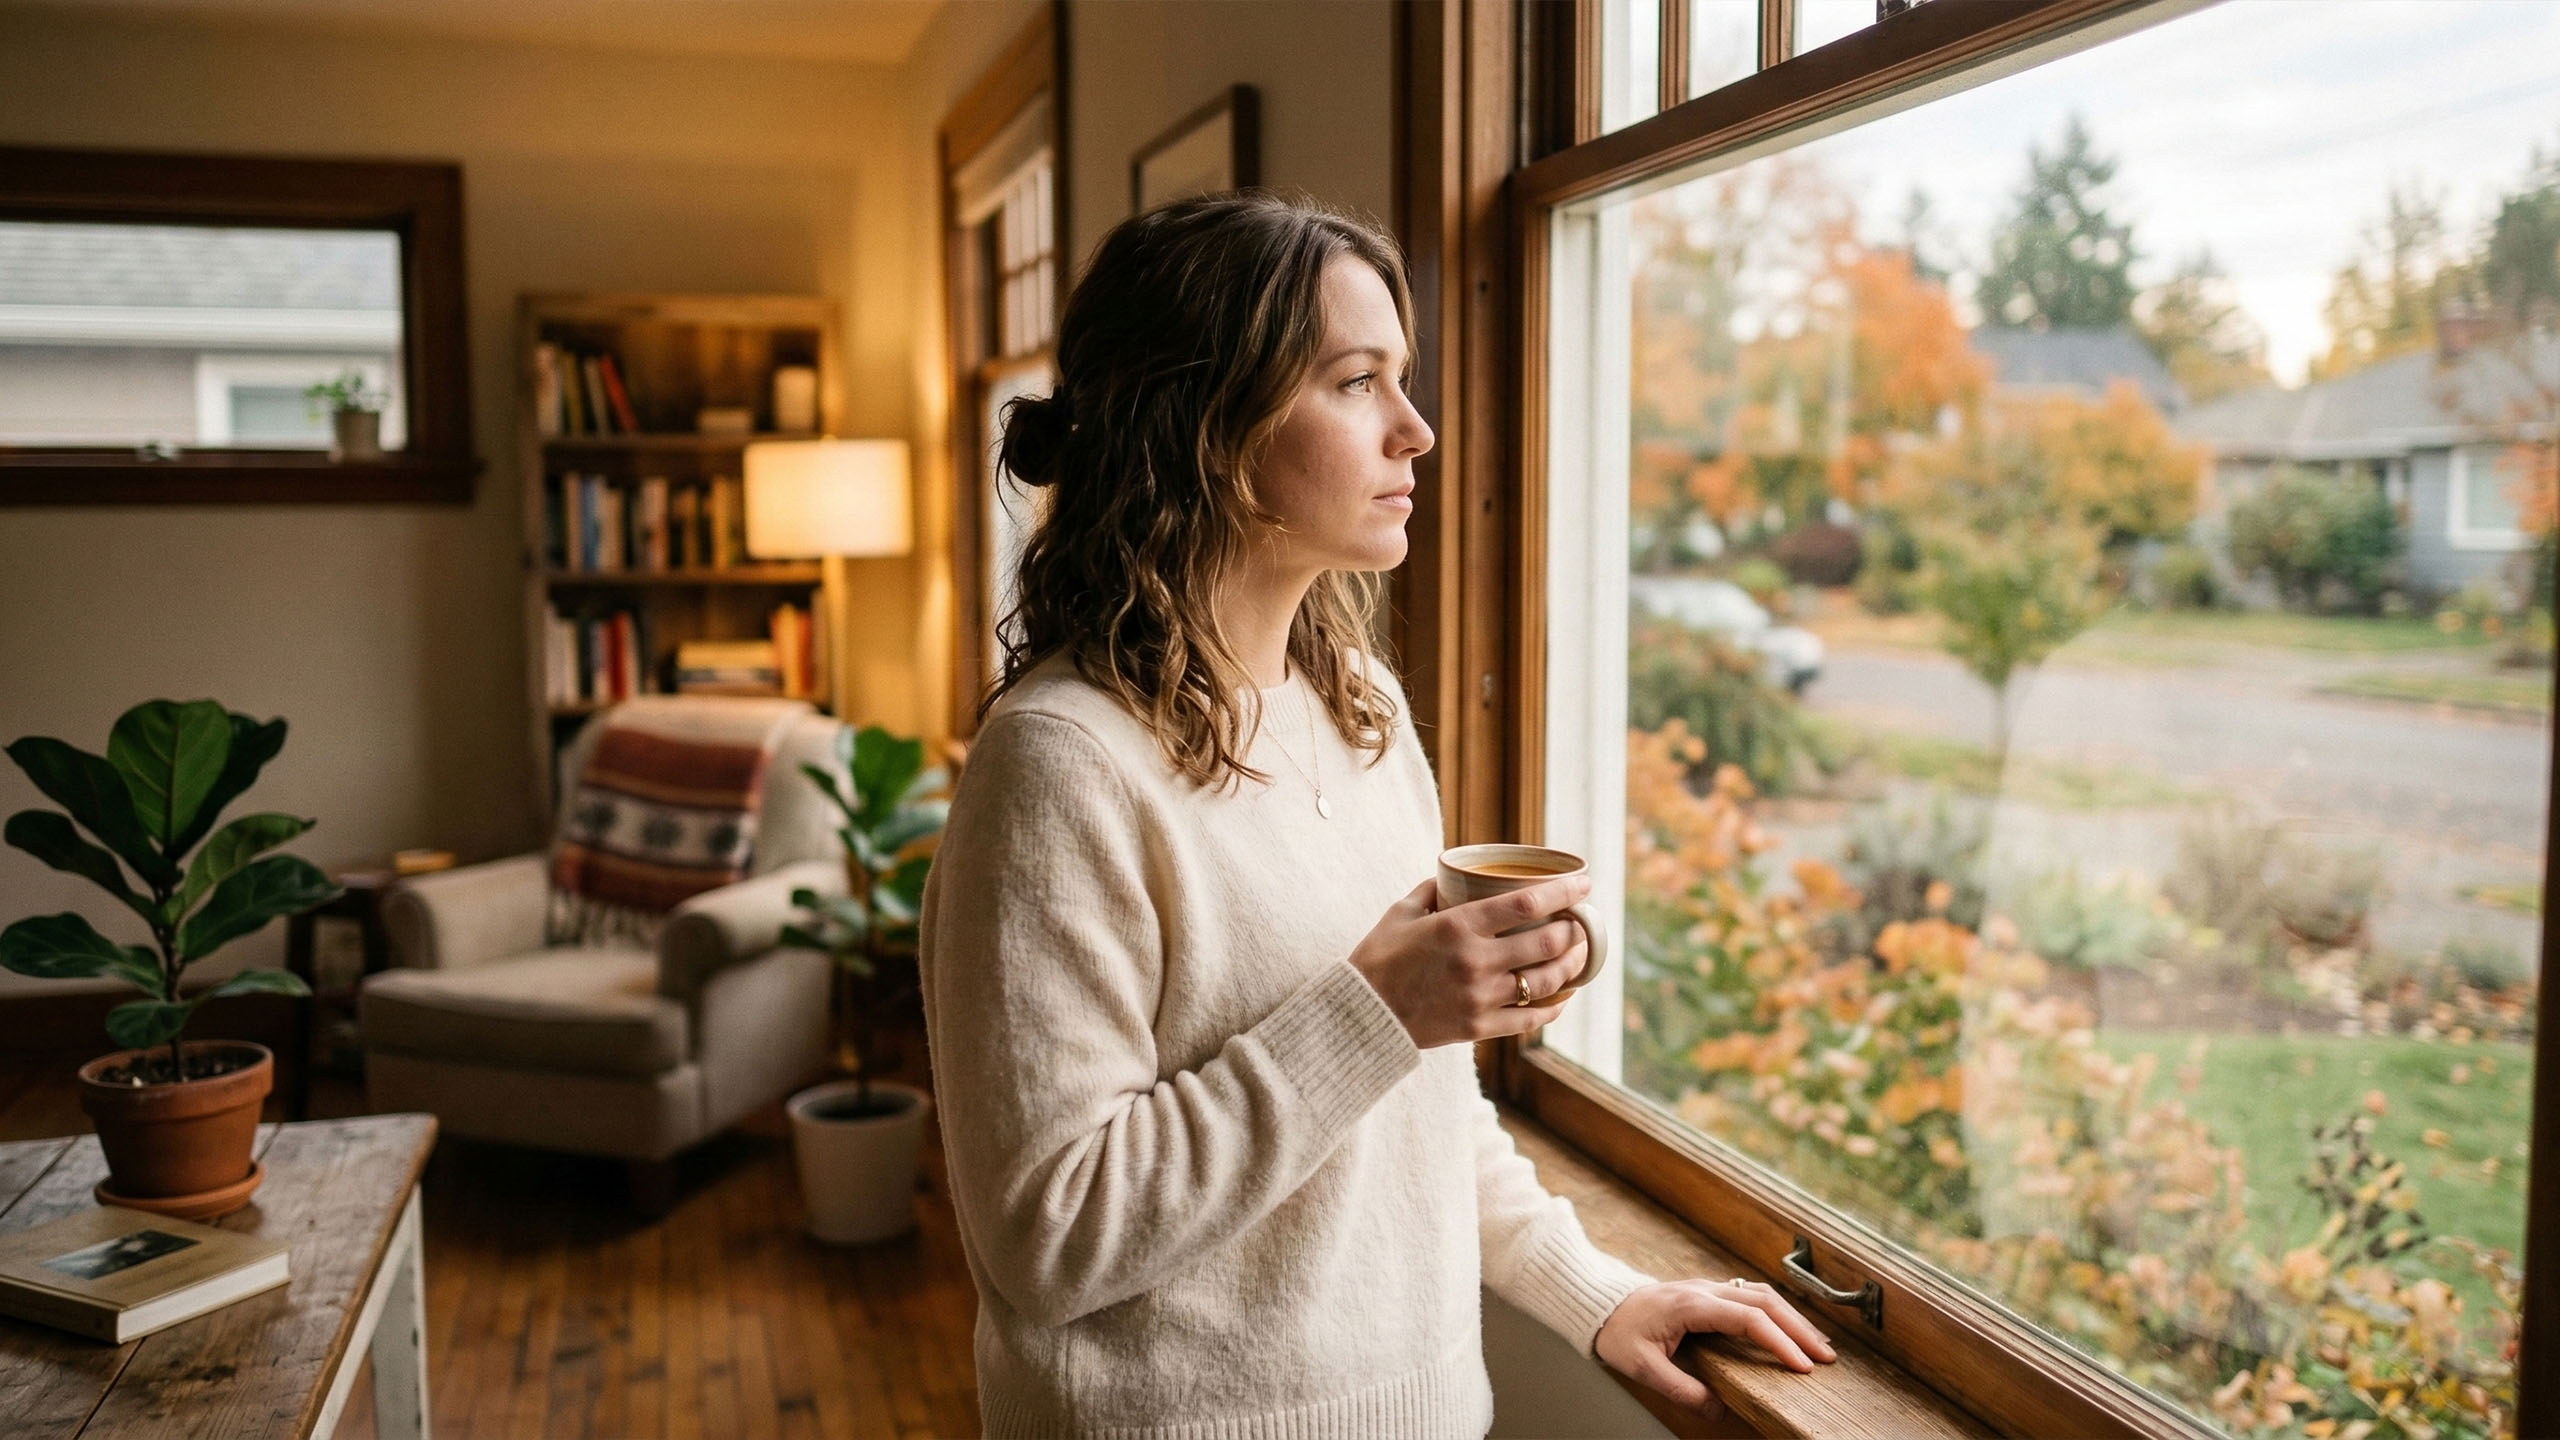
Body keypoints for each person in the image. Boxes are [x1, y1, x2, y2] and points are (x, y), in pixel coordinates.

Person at [918, 191, 1836, 1439]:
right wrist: (1380, 1009)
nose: (1418, 431)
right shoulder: (1059, 768)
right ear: (1204, 424)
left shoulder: (1356, 714)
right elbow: (1050, 1233)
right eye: (1357, 382)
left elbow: (1416, 1113)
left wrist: (1596, 1293)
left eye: (1399, 380)